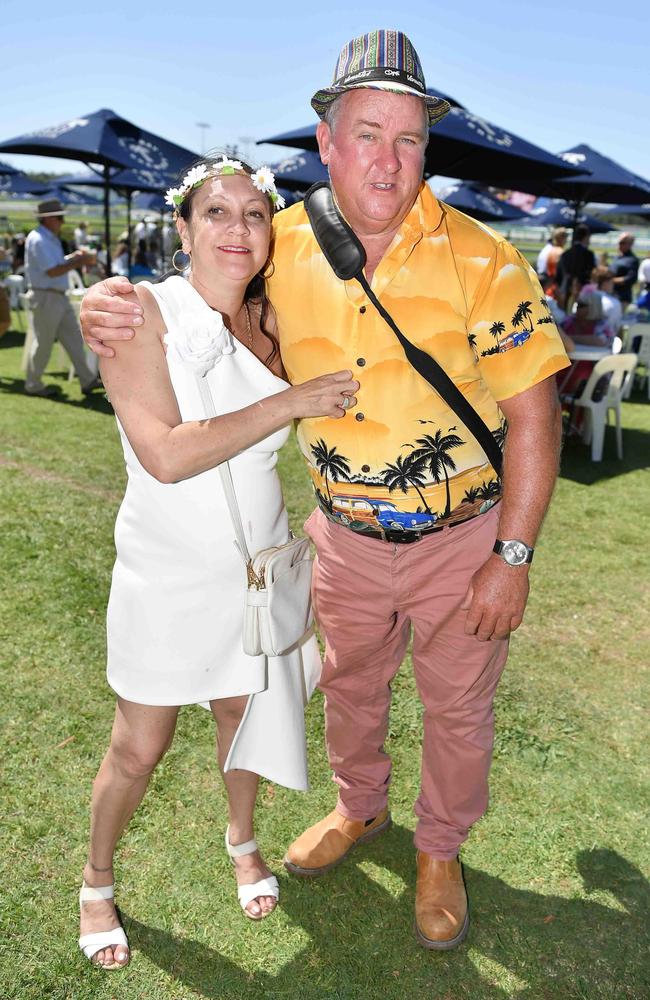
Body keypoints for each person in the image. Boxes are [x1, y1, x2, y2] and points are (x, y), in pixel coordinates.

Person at [80, 29, 569, 951]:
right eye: (369, 132)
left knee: (458, 704)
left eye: (410, 137)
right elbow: (203, 301)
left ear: (428, 146)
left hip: (462, 533)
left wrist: (513, 554)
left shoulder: (486, 259)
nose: (389, 158)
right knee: (348, 688)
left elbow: (535, 416)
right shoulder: (280, 244)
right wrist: (117, 301)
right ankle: (360, 809)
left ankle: (439, 851)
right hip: (341, 536)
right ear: (327, 143)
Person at [76, 155, 359, 971]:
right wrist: (288, 402)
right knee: (140, 744)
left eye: (255, 214)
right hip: (167, 573)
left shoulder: (282, 322)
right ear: (183, 228)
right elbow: (164, 454)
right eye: (216, 213)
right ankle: (97, 877)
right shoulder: (138, 313)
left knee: (244, 717)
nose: (238, 230)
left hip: (259, 571)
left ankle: (243, 840)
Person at [23, 199, 101, 397]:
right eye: (59, 217)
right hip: (46, 296)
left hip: (56, 296)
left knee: (74, 339)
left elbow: (56, 264)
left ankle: (87, 380)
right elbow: (52, 271)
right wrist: (79, 261)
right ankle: (33, 384)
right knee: (43, 342)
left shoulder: (48, 238)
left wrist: (73, 258)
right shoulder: (39, 239)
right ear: (48, 219)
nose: (62, 221)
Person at [610, 233, 639, 305]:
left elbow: (631, 278)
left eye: (622, 243)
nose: (619, 244)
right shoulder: (617, 257)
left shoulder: (632, 260)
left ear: (630, 244)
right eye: (619, 242)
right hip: (611, 294)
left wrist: (610, 280)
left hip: (622, 297)